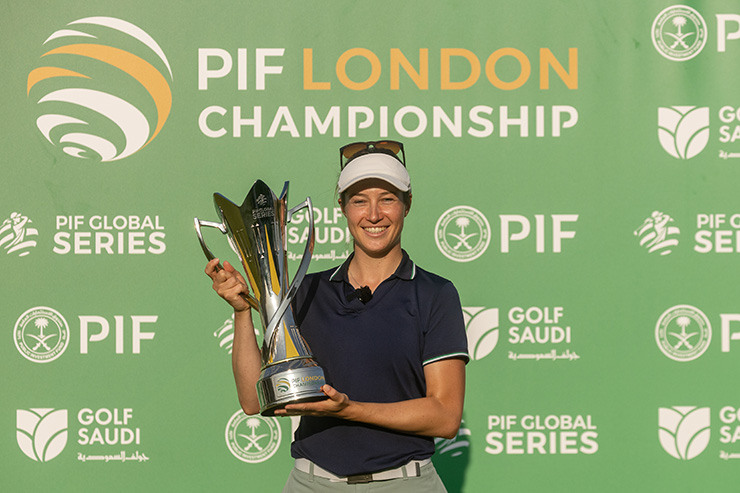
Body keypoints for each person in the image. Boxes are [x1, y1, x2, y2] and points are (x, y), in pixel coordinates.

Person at [205, 140, 469, 492]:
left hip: (404, 483)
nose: (373, 214)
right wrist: (242, 312)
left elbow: (446, 416)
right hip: (311, 483)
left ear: (407, 204)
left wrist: (349, 409)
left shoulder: (434, 294)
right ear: (342, 206)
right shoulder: (305, 290)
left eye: (387, 199)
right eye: (359, 200)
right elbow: (254, 401)